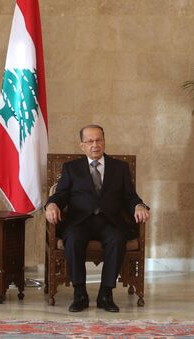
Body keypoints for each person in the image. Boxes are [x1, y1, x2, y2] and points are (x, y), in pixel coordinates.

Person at [45, 125, 150, 312]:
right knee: (74, 239)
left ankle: (105, 294)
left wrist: (139, 205)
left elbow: (129, 196)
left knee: (118, 239)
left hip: (110, 221)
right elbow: (60, 195)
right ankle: (80, 294)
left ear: (104, 141)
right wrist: (51, 204)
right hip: (80, 222)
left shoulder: (120, 168)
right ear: (82, 145)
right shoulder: (71, 168)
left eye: (99, 140)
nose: (95, 145)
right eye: (90, 141)